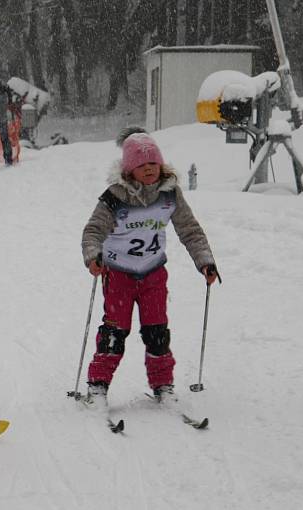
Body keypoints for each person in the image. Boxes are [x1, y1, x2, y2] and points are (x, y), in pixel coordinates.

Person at [81, 127, 219, 407]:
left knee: (157, 331)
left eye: (153, 164)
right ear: (129, 169)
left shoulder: (170, 195)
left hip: (154, 273)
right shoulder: (114, 196)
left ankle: (163, 385)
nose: (148, 170)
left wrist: (205, 260)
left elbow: (189, 229)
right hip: (118, 274)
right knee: (115, 331)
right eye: (141, 165)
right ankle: (97, 386)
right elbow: (93, 230)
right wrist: (93, 255)